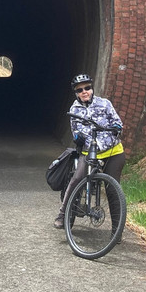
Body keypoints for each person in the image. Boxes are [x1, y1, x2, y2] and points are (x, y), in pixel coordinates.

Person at [54, 73, 125, 229]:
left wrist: (116, 128)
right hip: (89, 151)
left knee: (113, 190)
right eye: (80, 90)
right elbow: (76, 130)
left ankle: (117, 230)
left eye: (87, 88)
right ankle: (63, 215)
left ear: (92, 89)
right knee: (76, 180)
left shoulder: (104, 104)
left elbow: (117, 122)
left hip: (112, 151)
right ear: (76, 93)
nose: (84, 92)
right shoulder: (74, 109)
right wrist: (78, 138)